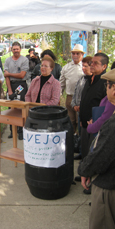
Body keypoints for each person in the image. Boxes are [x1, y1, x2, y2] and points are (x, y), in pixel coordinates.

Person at [78, 69, 115, 229]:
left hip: (109, 186)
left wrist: (85, 170)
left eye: (107, 85)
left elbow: (102, 155)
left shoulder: (113, 125)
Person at [79, 53, 108, 194]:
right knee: (85, 151)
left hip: (96, 127)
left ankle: (91, 183)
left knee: (93, 155)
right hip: (84, 124)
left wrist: (94, 122)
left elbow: (105, 108)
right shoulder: (89, 79)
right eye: (92, 62)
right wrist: (81, 118)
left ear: (104, 66)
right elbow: (84, 100)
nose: (92, 65)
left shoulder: (104, 83)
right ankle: (84, 173)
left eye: (96, 63)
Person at [4, 41, 29, 140]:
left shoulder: (24, 60)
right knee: (11, 108)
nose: (16, 51)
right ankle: (12, 130)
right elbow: (6, 77)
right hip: (11, 84)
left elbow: (22, 75)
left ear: (20, 49)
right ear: (11, 49)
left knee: (20, 108)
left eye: (17, 49)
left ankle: (21, 130)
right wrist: (9, 90)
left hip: (21, 85)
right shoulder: (7, 60)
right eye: (14, 49)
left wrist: (9, 74)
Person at [59, 44, 84, 133]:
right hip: (69, 97)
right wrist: (59, 96)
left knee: (79, 121)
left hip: (81, 98)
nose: (75, 55)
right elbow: (61, 84)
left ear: (82, 55)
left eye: (78, 53)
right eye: (73, 53)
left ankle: (80, 140)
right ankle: (72, 139)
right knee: (70, 120)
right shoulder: (66, 67)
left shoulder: (84, 67)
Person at [71, 56, 92, 160]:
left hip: (88, 112)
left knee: (88, 135)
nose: (83, 68)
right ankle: (81, 152)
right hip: (79, 111)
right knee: (80, 133)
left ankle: (87, 156)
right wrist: (74, 104)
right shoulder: (81, 79)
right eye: (82, 66)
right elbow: (75, 93)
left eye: (86, 66)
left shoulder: (93, 81)